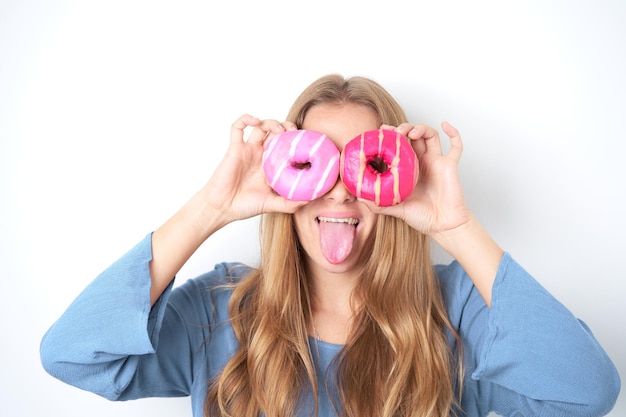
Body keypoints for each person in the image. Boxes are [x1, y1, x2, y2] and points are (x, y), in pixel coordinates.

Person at [40, 74, 620, 417]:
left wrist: (453, 227)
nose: (340, 192)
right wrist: (210, 209)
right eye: (314, 163)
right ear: (280, 176)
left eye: (363, 164)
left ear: (399, 176)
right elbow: (70, 353)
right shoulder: (220, 312)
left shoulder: (456, 313)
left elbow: (589, 391)